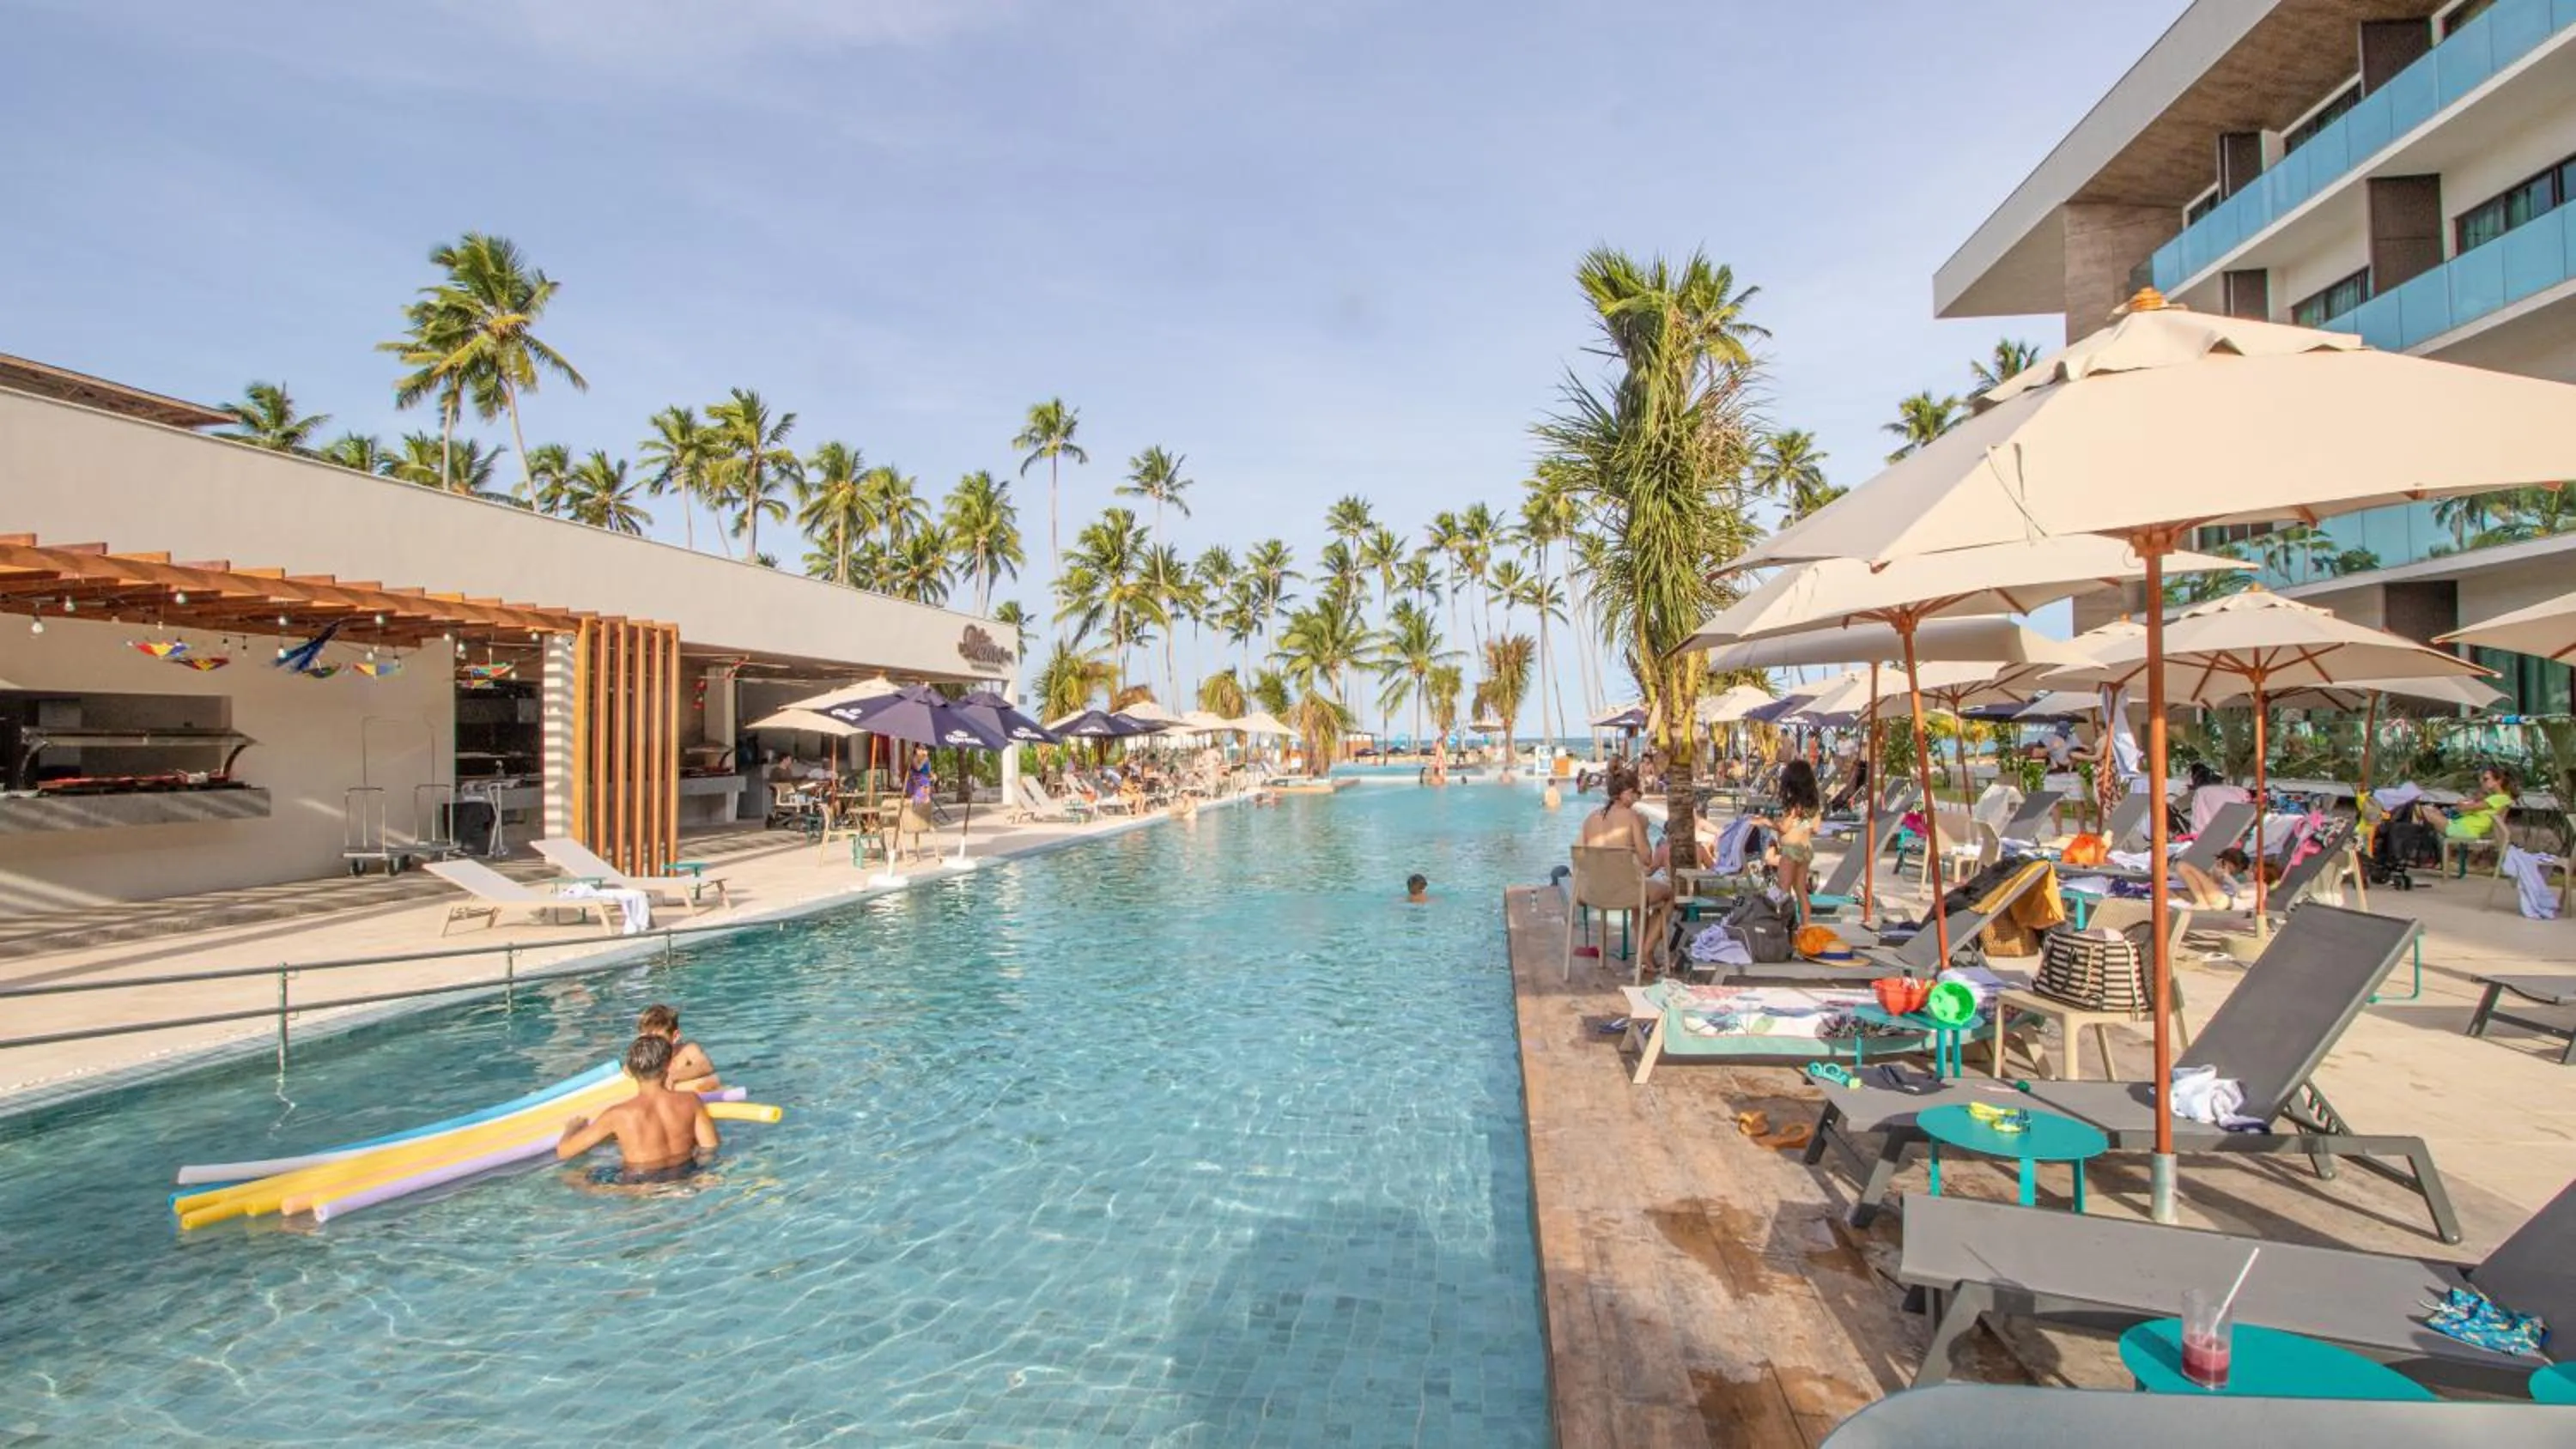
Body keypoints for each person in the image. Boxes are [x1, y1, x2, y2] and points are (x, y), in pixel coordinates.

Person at [556, 1034, 720, 1175]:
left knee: (572, 1177)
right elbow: (710, 1147)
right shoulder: (691, 1101)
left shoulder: (618, 1114)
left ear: (631, 1071)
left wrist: (572, 1128)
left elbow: (565, 1152)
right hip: (686, 1173)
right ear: (669, 1066)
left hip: (641, 1183)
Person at [1576, 762, 1672, 967]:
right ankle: (1646, 951)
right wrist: (1644, 829)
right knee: (1669, 894)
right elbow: (1647, 858)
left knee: (1638, 896)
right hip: (1624, 892)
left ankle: (1645, 955)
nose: (1638, 798)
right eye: (1637, 793)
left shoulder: (1590, 819)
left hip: (1594, 892)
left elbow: (1580, 858)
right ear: (1626, 793)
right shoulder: (1631, 817)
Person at [1748, 759, 1822, 922]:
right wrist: (1803, 825)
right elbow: (1816, 828)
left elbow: (1784, 828)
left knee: (1783, 890)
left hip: (1790, 850)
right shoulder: (1813, 804)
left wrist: (1766, 822)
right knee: (1801, 890)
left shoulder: (1794, 804)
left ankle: (1782, 927)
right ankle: (1806, 927)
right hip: (1805, 849)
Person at [2410, 766, 2516, 844]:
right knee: (2425, 810)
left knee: (2418, 810)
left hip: (2465, 830)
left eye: (2486, 779)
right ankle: (2413, 838)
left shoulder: (2500, 798)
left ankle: (2409, 842)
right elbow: (2463, 809)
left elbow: (2465, 808)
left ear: (2498, 781)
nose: (2483, 782)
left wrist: (2464, 804)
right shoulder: (2496, 798)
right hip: (2460, 826)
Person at [636, 1003, 720, 1094]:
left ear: (675, 1036)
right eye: (646, 1038)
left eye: (658, 1038)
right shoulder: (642, 1055)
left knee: (714, 1081)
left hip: (690, 1094)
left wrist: (673, 1076)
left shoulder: (687, 1050)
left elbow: (705, 1066)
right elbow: (627, 1072)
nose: (651, 1043)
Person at [2186, 761, 2252, 837]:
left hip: (2211, 837)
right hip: (2240, 834)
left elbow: (2198, 824)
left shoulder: (2201, 793)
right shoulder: (2239, 790)